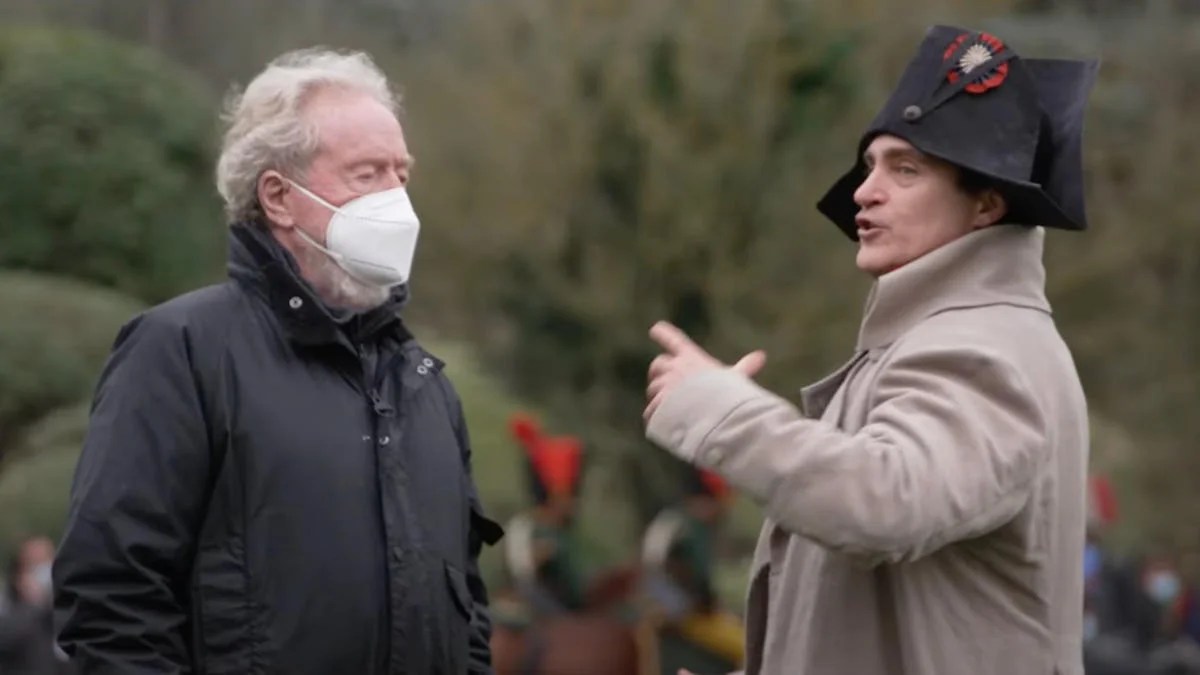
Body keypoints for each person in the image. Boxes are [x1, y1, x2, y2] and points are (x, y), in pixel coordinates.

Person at [643, 24, 1098, 674]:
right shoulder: (942, 339)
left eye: (905, 170)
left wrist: (727, 413)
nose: (864, 191)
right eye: (870, 166)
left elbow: (886, 500)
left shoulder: (987, 345)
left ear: (986, 207)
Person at [52, 47, 504, 674]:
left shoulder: (423, 384)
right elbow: (114, 600)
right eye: (367, 173)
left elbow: (468, 616)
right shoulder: (181, 351)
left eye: (402, 174)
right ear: (279, 198)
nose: (397, 199)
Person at [507, 413, 587, 614]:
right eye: (566, 496)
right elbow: (521, 572)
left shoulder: (563, 531)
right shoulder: (526, 528)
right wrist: (538, 558)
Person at [0, 536, 68, 675]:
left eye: (47, 561)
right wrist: (34, 604)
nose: (43, 572)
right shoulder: (9, 618)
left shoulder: (68, 616)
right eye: (35, 565)